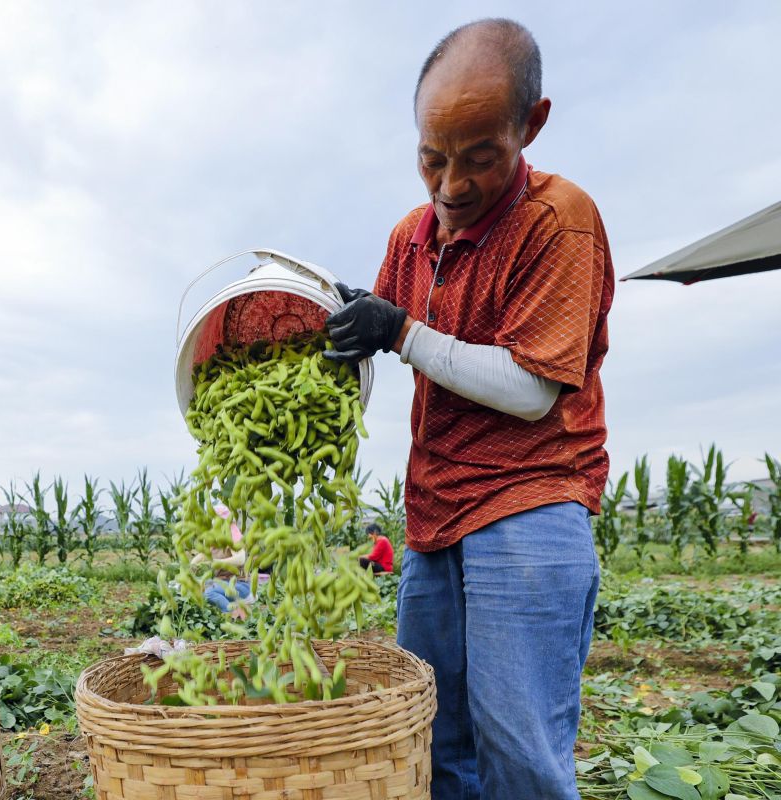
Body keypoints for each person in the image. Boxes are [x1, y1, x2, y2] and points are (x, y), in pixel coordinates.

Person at [325, 19, 610, 800]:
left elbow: (531, 389)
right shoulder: (410, 237)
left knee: (519, 754)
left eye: (479, 157)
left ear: (531, 125)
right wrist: (343, 335)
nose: (450, 185)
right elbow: (380, 333)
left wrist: (400, 331)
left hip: (529, 505)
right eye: (432, 158)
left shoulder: (557, 220)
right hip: (432, 517)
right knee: (435, 742)